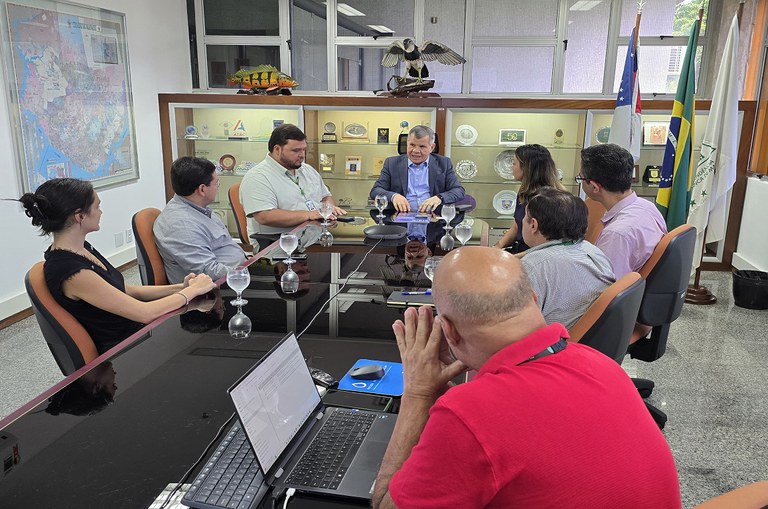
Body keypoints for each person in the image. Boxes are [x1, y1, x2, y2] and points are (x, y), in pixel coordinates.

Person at [372, 247, 682, 509]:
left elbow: (385, 503)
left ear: (448, 331)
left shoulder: (469, 414)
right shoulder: (600, 364)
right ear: (533, 300)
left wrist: (418, 395)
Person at [19, 178, 217, 354]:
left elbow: (124, 290)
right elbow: (144, 313)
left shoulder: (80, 249)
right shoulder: (72, 272)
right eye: (97, 207)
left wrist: (180, 288)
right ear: (79, 216)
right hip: (128, 347)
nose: (101, 211)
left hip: (139, 332)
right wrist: (191, 293)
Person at [519, 187, 614, 329]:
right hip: (589, 341)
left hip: (553, 347)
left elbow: (517, 329)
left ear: (533, 225)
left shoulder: (531, 267)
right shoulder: (594, 252)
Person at [239, 124, 346, 245]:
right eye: (296, 150)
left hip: (314, 238)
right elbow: (264, 216)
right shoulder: (257, 177)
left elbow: (326, 197)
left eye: (303, 149)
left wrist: (328, 211)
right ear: (277, 149)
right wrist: (309, 215)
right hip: (278, 246)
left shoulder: (307, 170)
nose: (302, 155)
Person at [154, 156, 247, 284]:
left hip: (236, 272)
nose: (217, 187)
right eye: (216, 183)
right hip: (219, 289)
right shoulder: (182, 225)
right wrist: (247, 274)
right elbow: (210, 272)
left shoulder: (197, 207)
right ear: (202, 189)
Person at [579, 144, 667, 278]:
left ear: (594, 187)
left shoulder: (617, 235)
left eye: (580, 178)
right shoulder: (647, 207)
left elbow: (602, 288)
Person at [370, 125, 464, 213]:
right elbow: (376, 191)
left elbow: (458, 190)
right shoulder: (392, 163)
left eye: (422, 146)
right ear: (407, 144)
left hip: (433, 220)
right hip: (400, 219)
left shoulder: (444, 163)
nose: (415, 151)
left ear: (432, 147)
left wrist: (439, 198)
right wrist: (394, 196)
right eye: (412, 145)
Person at [493, 144, 565, 253]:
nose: (511, 167)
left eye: (514, 163)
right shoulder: (524, 193)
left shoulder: (549, 202)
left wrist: (509, 258)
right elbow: (516, 227)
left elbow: (546, 248)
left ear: (526, 168)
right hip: (519, 251)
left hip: (534, 257)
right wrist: (497, 247)